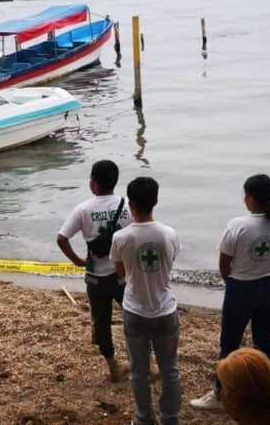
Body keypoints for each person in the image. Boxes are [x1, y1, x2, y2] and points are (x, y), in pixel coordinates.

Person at [190, 174, 270, 411]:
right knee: (263, 341)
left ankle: (219, 394)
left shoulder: (238, 225)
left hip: (242, 288)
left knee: (229, 342)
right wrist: (264, 267)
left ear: (250, 199)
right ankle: (266, 393)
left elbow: (224, 264)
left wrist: (235, 281)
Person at [110, 176, 182, 425]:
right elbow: (169, 264)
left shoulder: (121, 237)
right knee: (170, 369)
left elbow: (121, 273)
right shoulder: (169, 233)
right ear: (156, 201)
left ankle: (143, 418)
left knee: (138, 370)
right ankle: (171, 418)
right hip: (165, 309)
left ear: (130, 204)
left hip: (135, 309)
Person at [57, 159, 133, 382]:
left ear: (94, 183)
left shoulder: (83, 209)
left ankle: (113, 366)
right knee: (135, 316)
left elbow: (62, 238)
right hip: (123, 275)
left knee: (101, 321)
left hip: (95, 277)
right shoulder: (128, 206)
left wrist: (78, 261)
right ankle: (141, 362)